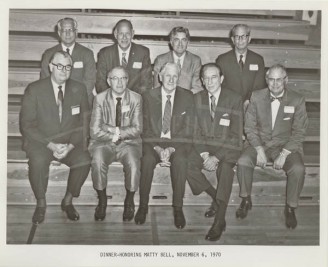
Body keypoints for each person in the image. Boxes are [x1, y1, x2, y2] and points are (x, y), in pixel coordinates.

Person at [20, 51, 91, 224]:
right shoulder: (35, 89)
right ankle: (41, 203)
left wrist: (70, 146)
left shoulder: (79, 88)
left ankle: (67, 201)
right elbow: (27, 125)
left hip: (69, 143)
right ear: (51, 67)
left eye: (67, 67)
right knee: (37, 161)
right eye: (59, 66)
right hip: (42, 143)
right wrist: (50, 145)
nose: (64, 70)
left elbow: (84, 123)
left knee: (85, 159)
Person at [236, 64, 308, 229]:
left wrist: (284, 154)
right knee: (243, 161)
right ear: (266, 80)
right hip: (258, 142)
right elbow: (249, 128)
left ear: (286, 80)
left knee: (298, 168)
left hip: (285, 145)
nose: (275, 84)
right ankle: (246, 199)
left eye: (279, 80)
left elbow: (299, 132)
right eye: (271, 79)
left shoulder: (297, 99)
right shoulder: (256, 96)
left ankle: (290, 207)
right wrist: (259, 149)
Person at [205, 23, 266, 218]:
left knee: (243, 154)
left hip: (251, 110)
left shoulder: (258, 59)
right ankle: (220, 199)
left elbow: (258, 89)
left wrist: (247, 104)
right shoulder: (222, 59)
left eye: (243, 36)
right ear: (232, 39)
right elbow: (221, 90)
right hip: (228, 113)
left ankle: (244, 197)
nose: (240, 40)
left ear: (249, 38)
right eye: (236, 37)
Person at [186, 63, 243, 241]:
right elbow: (193, 131)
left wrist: (217, 157)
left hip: (227, 148)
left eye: (214, 77)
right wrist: (204, 155)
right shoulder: (196, 99)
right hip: (204, 147)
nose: (210, 81)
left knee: (225, 170)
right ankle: (216, 198)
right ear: (202, 81)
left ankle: (219, 220)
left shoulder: (234, 99)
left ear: (221, 79)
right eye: (206, 78)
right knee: (186, 165)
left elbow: (235, 135)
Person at [135, 62, 194, 229]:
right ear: (160, 77)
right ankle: (143, 206)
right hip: (153, 141)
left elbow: (188, 129)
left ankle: (178, 208)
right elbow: (144, 128)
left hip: (177, 143)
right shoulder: (147, 96)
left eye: (175, 76)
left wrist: (171, 148)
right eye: (168, 75)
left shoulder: (187, 96)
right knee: (146, 161)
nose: (171, 79)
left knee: (181, 161)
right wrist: (158, 148)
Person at [89, 66, 142, 222]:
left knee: (133, 163)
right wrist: (113, 136)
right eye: (115, 78)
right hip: (103, 142)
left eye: (123, 78)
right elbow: (94, 131)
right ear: (108, 81)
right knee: (97, 161)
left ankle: (129, 200)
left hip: (129, 143)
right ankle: (102, 200)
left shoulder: (136, 98)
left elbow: (138, 129)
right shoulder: (99, 98)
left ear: (128, 80)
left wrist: (114, 129)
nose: (119, 82)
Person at [40, 17, 96, 106]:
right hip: (57, 99)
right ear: (59, 33)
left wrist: (74, 98)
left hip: (81, 99)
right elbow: (45, 80)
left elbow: (90, 81)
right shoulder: (49, 54)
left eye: (70, 30)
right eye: (64, 30)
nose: (67, 33)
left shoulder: (87, 53)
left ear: (76, 32)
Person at [96, 19, 152, 94]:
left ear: (132, 33)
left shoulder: (143, 52)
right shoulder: (104, 54)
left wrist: (134, 100)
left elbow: (146, 84)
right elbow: (100, 83)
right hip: (110, 100)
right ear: (115, 34)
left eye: (127, 33)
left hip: (135, 101)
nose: (124, 37)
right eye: (121, 33)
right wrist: (113, 99)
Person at [153, 26, 203, 94]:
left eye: (183, 40)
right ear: (171, 42)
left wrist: (183, 100)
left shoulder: (195, 60)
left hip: (187, 100)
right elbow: (157, 87)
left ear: (188, 42)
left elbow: (197, 87)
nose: (180, 44)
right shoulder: (160, 60)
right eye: (176, 40)